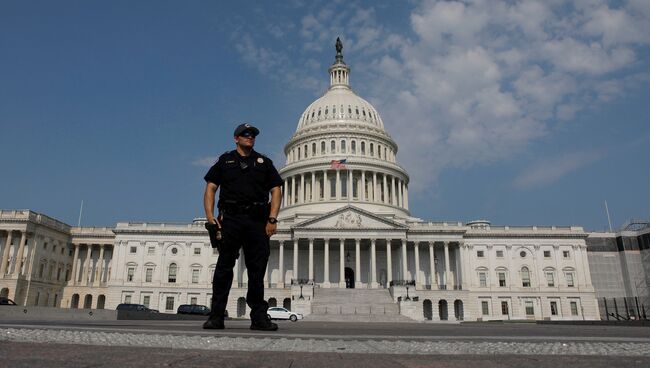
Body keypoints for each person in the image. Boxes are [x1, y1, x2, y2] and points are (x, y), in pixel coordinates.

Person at [202, 123, 283, 331]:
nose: (250, 137)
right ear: (236, 138)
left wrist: (272, 219)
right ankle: (217, 316)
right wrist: (211, 218)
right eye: (245, 134)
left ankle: (258, 317)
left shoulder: (264, 162)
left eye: (253, 135)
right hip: (231, 220)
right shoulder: (225, 160)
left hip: (257, 221)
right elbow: (211, 188)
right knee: (224, 268)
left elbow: (276, 189)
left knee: (257, 271)